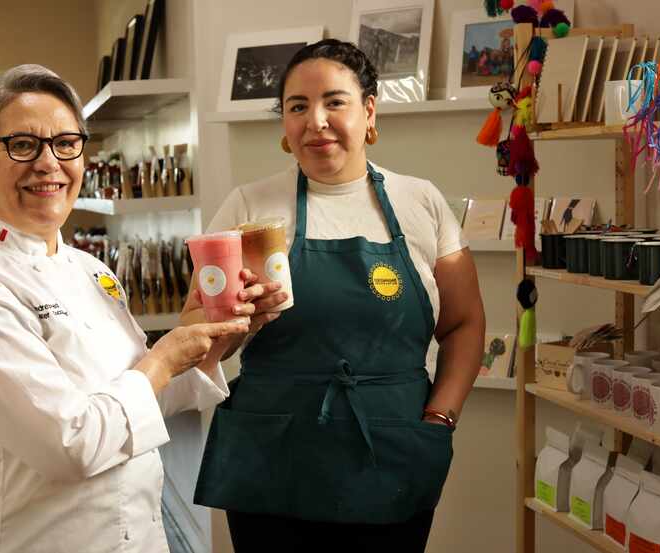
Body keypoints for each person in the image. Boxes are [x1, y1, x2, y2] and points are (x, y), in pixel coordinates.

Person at [0, 64, 255, 553]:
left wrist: (216, 335)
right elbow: (71, 444)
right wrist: (163, 358)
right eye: (23, 145)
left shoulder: (87, 269)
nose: (48, 163)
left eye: (66, 143)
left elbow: (142, 395)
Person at [187, 39, 485, 552]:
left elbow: (463, 323)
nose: (315, 120)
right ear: (283, 123)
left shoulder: (421, 202)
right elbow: (199, 333)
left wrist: (441, 417)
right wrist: (237, 318)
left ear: (369, 111)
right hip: (271, 458)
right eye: (297, 107)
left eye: (334, 101)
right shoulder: (249, 205)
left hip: (391, 450)